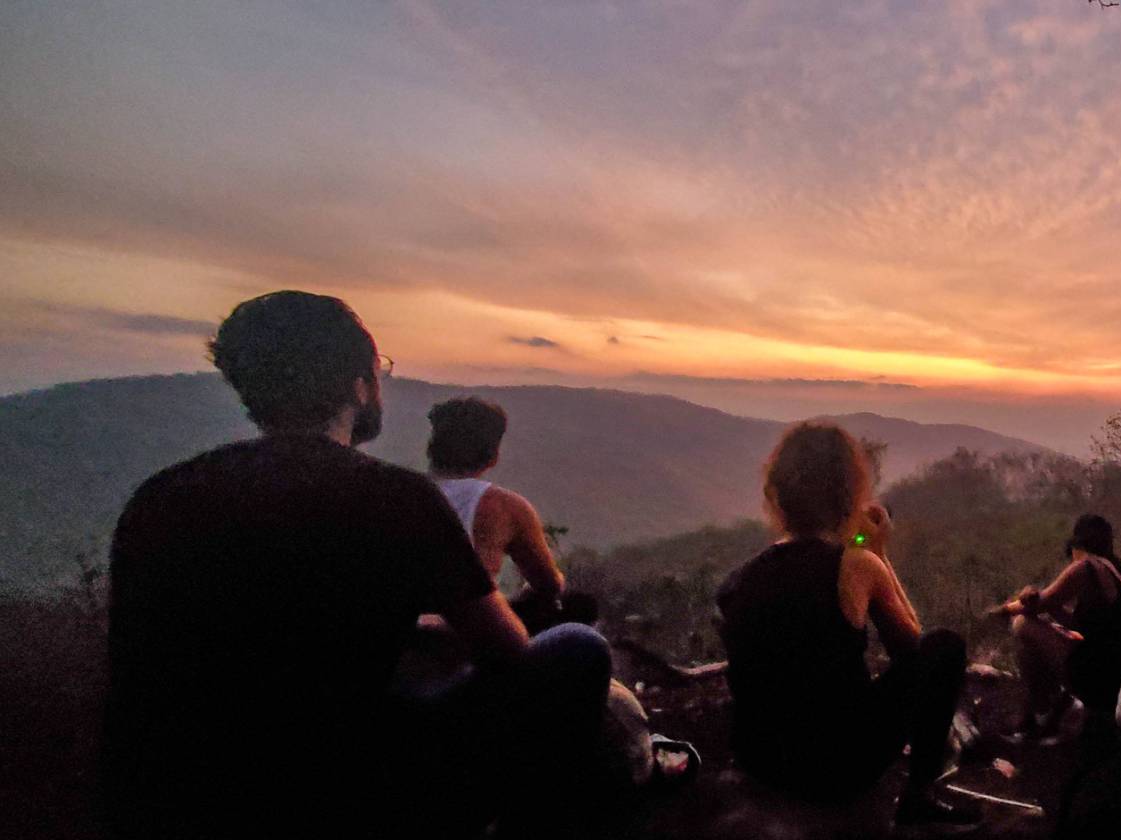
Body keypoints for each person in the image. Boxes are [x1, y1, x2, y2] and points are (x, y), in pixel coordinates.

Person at [104, 291, 612, 839]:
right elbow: (510, 655)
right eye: (379, 372)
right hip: (350, 785)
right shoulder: (392, 497)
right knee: (579, 647)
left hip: (182, 793)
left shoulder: (162, 498)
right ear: (357, 386)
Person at [715, 421, 981, 827]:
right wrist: (878, 551)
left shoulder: (740, 580)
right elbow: (913, 649)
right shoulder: (855, 564)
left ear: (779, 494)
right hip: (837, 766)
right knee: (945, 645)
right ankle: (918, 796)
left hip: (761, 761)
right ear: (847, 494)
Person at [426, 396, 594, 632]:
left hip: (384, 636)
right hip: (459, 642)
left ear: (432, 448)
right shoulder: (504, 506)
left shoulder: (395, 491)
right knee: (583, 632)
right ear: (493, 455)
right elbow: (548, 585)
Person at [993, 514, 1121, 745]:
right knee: (1053, 634)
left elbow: (1035, 605)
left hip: (1107, 682)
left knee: (1022, 625)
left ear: (1077, 546)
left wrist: (1003, 609)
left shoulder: (1086, 566)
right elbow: (1090, 625)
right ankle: (1051, 711)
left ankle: (1043, 713)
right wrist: (1053, 613)